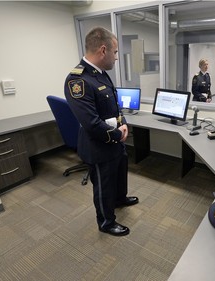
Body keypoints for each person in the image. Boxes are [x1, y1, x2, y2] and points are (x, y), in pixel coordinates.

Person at [64, 27, 138, 236]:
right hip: (98, 146)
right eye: (115, 53)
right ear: (103, 50)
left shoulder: (101, 74)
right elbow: (91, 123)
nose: (116, 58)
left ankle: (119, 199)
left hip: (116, 141)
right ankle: (106, 221)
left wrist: (122, 122)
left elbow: (114, 106)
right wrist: (118, 134)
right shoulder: (77, 80)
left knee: (120, 173)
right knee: (104, 185)